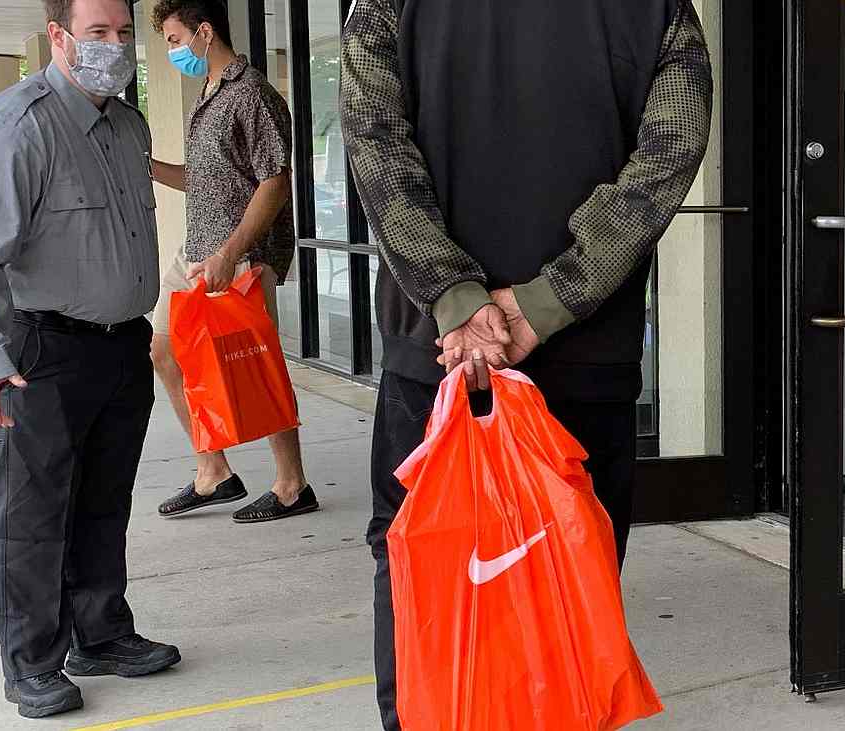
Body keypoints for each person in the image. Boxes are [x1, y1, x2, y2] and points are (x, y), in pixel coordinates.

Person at [340, 0, 713, 727]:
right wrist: (548, 300)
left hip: (439, 358)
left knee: (426, 578)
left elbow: (375, 140)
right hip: (586, 357)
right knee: (568, 582)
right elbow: (673, 145)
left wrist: (452, 295)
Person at [0, 0, 181, 718]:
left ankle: (101, 632)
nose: (114, 47)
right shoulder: (17, 125)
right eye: (96, 34)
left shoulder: (127, 123)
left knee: (103, 503)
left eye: (121, 34)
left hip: (119, 348)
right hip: (39, 352)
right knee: (32, 514)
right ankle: (31, 661)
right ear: (58, 37)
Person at [149, 0, 318, 524]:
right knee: (164, 353)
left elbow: (274, 180)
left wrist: (231, 253)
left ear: (204, 32)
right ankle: (213, 472)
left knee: (256, 367)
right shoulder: (209, 94)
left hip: (239, 256)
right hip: (196, 248)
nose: (174, 51)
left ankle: (292, 485)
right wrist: (146, 165)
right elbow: (205, 181)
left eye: (176, 40)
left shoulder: (253, 95)